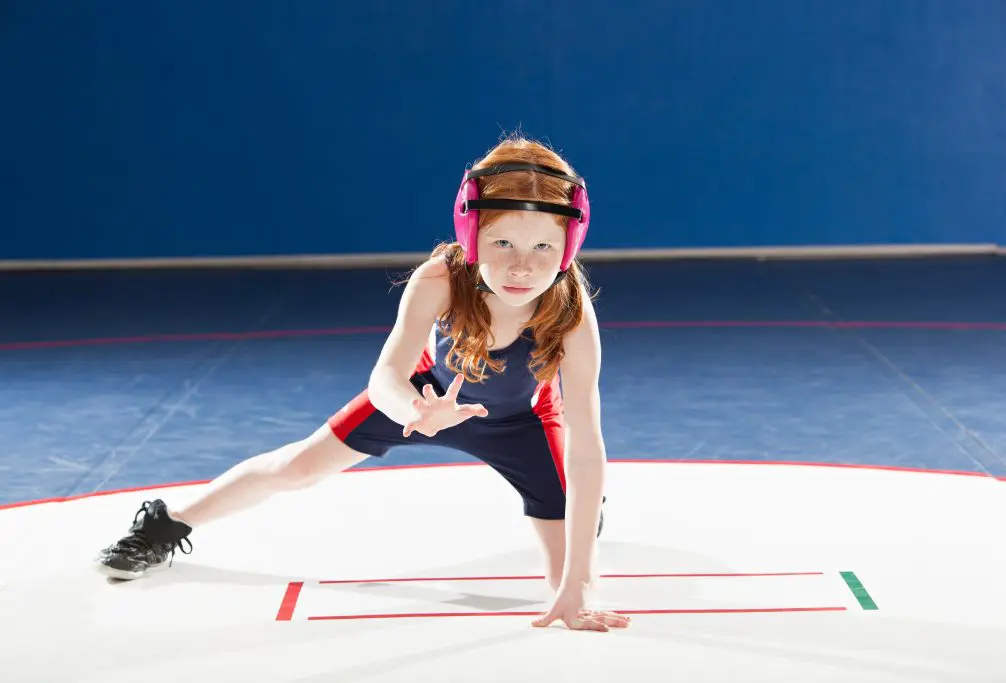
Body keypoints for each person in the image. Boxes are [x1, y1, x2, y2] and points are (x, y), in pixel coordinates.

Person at [94, 134, 630, 632]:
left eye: (543, 248)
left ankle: (575, 514)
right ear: (470, 234)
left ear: (569, 243)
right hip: (422, 396)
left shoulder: (571, 311)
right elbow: (385, 377)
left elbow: (586, 446)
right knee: (296, 467)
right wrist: (415, 412)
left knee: (568, 572)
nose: (522, 267)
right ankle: (168, 524)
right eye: (504, 243)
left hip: (521, 421)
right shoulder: (440, 278)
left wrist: (579, 581)